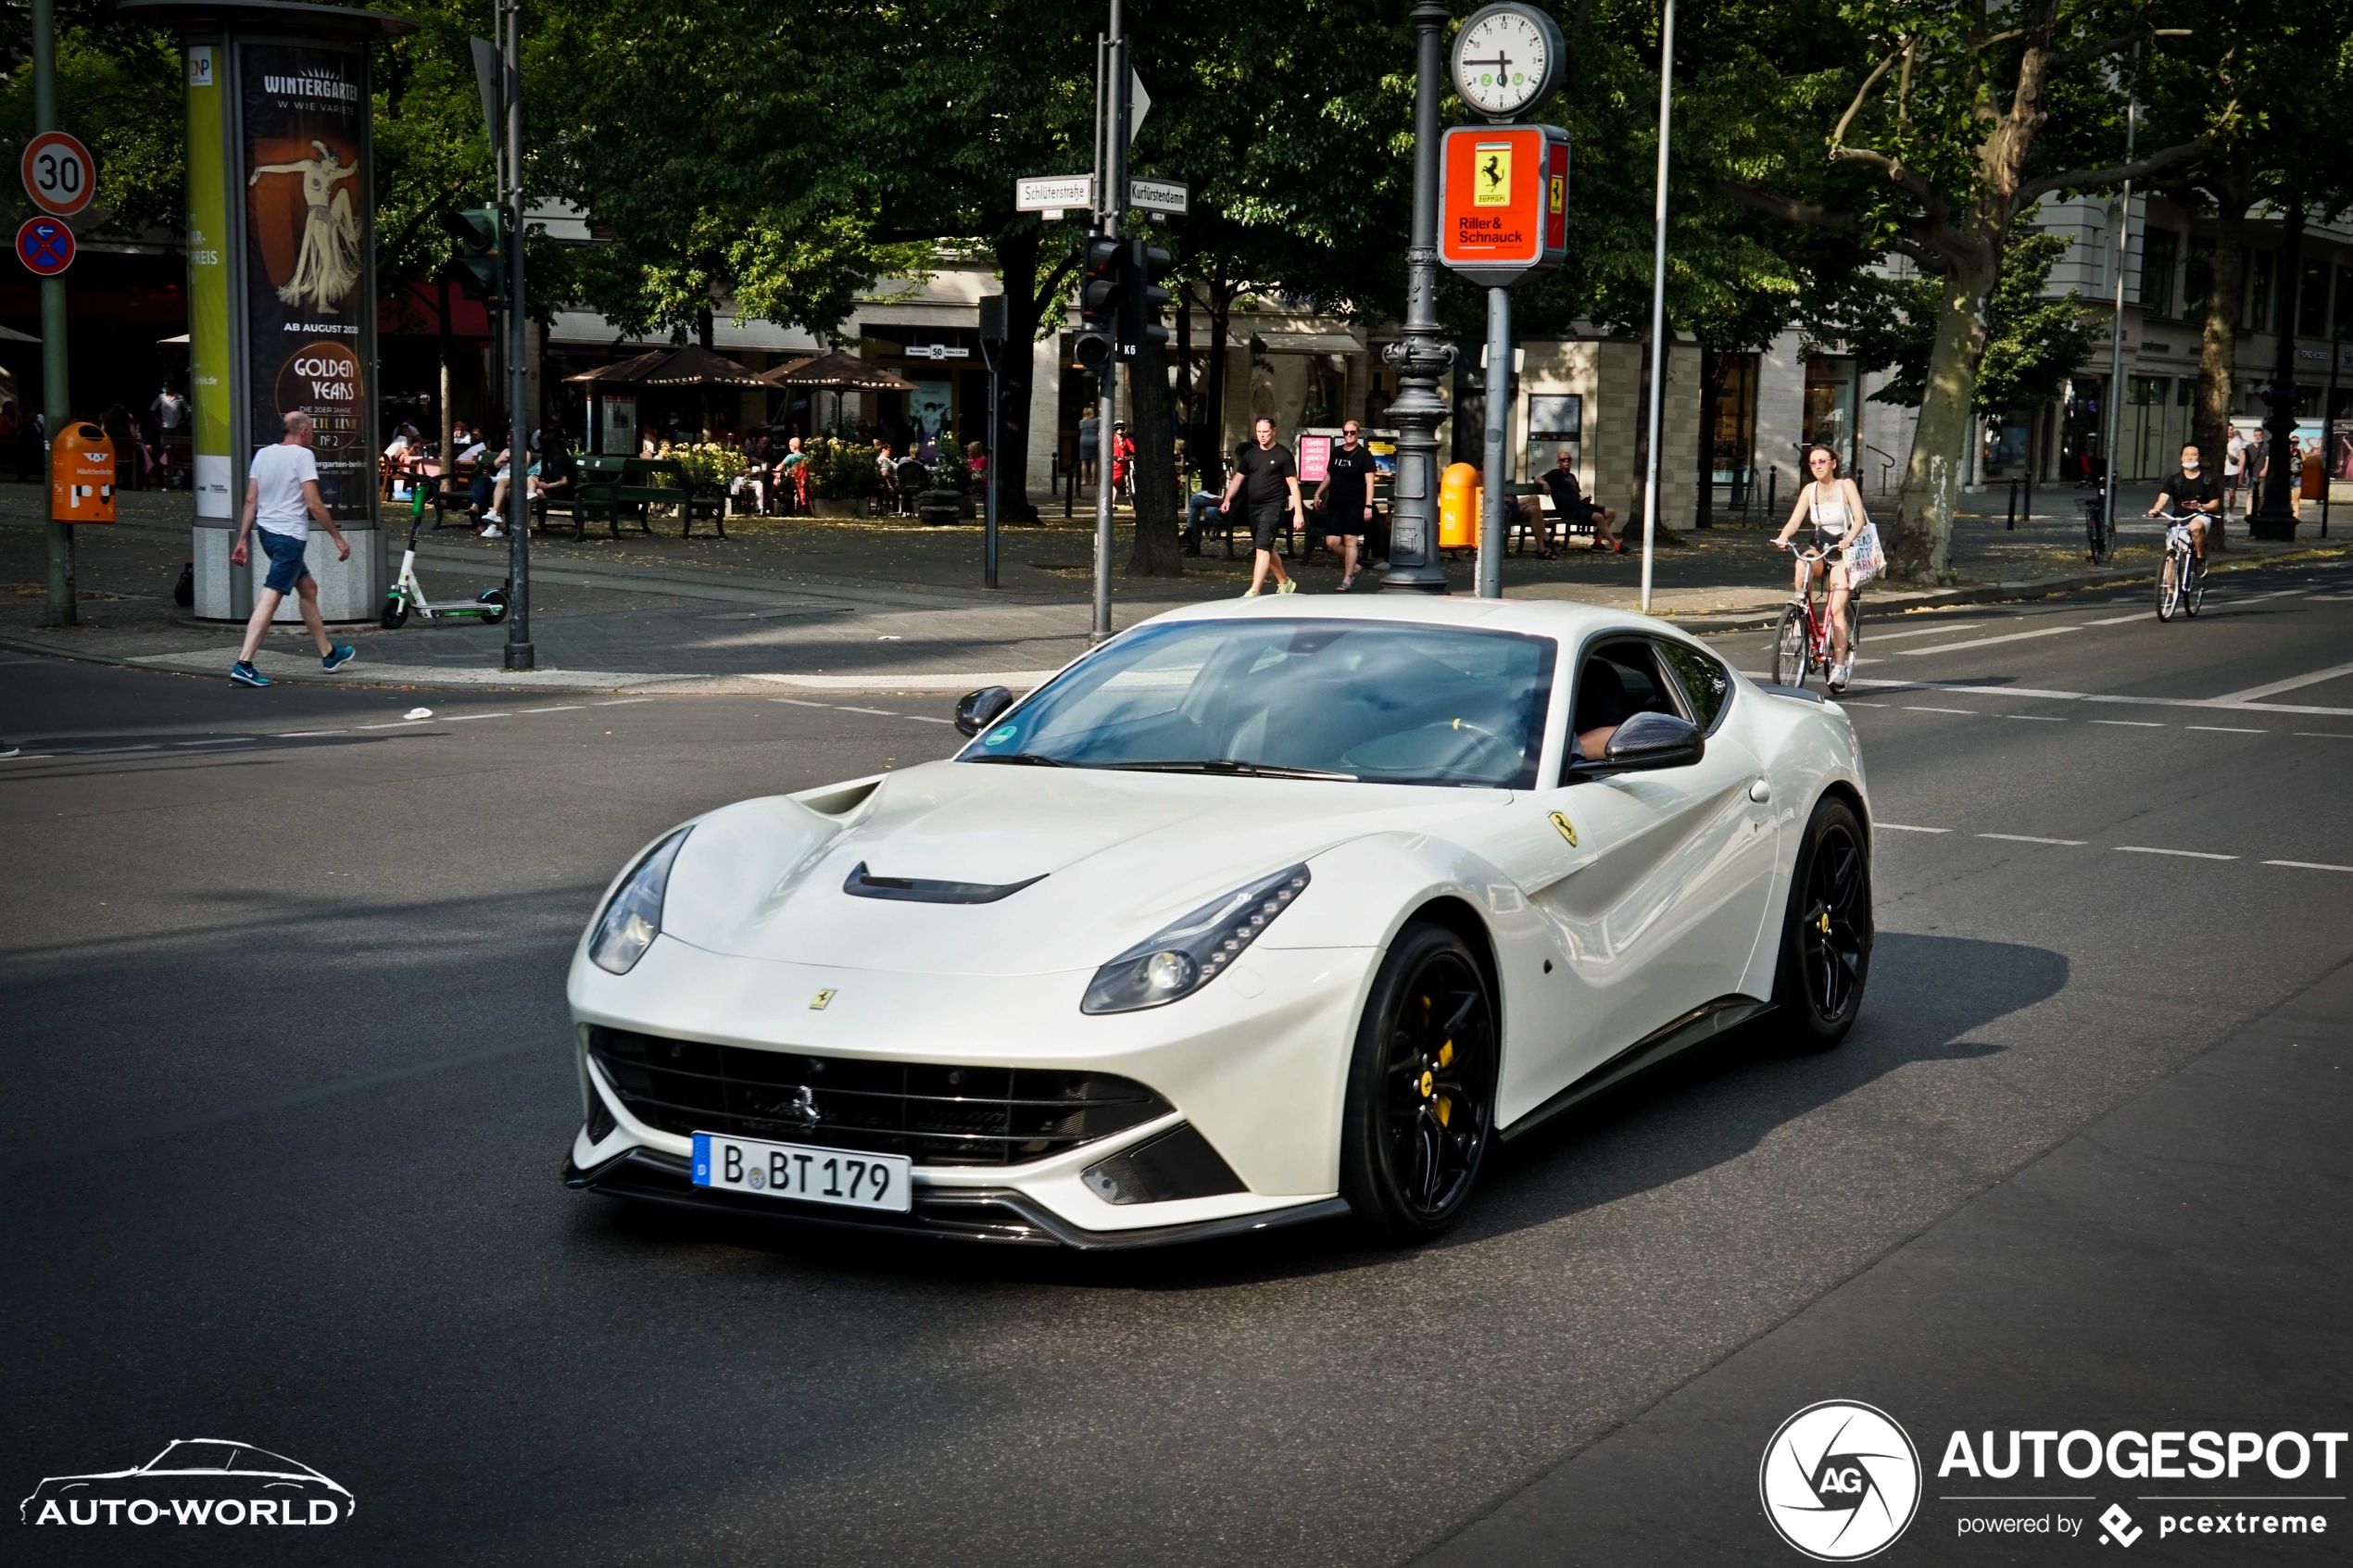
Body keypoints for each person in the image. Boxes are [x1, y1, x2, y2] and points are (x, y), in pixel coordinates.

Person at [228, 411, 354, 686]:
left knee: (308, 589)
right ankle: (244, 663)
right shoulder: (302, 456)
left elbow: (251, 502)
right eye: (312, 430)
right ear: (304, 431)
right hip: (290, 538)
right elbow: (314, 504)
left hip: (268, 535)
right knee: (270, 598)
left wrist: (242, 540)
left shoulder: (263, 455)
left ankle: (329, 654)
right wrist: (338, 538)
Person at [1772, 443, 1869, 687]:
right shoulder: (1809, 490)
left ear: (1833, 463)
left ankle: (1839, 665)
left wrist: (1848, 539)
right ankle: (1799, 613)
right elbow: (1795, 521)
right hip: (1821, 546)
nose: (1817, 466)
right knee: (1802, 561)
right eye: (1813, 463)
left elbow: (1859, 519)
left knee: (1836, 610)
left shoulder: (1846, 486)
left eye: (1822, 461)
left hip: (1843, 550)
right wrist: (1784, 536)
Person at [1219, 416, 1303, 597]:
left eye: (1265, 432)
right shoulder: (1251, 454)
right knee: (1264, 545)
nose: (1262, 435)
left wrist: (1298, 512)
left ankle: (1254, 589)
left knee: (1262, 548)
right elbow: (1238, 479)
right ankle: (1284, 582)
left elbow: (1293, 485)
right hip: (1254, 507)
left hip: (1273, 506)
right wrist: (1227, 499)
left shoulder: (1283, 455)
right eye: (1259, 432)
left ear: (1274, 431)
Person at [1314, 420, 1379, 590]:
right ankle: (1355, 565)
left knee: (1350, 540)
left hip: (1355, 503)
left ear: (1358, 433)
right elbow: (1330, 474)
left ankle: (1347, 578)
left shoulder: (1364, 455)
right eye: (1346, 432)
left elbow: (1370, 483)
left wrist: (1368, 505)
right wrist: (1318, 492)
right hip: (1336, 502)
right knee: (1332, 541)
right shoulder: (1336, 452)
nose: (1349, 435)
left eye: (1352, 432)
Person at [2146, 442, 2220, 571]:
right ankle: (2169, 589)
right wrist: (2156, 510)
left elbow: (2214, 505)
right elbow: (2162, 499)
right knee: (2171, 557)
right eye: (2186, 455)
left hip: (2200, 515)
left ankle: (2199, 556)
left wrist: (2200, 505)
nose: (2189, 458)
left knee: (2195, 526)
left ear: (2200, 457)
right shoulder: (2175, 479)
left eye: (2193, 455)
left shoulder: (2208, 479)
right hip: (2179, 518)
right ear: (2181, 457)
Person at [1535, 449, 1619, 553]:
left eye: (1568, 459)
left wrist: (1585, 501)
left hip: (1580, 506)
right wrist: (1545, 484)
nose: (1566, 461)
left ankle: (1597, 544)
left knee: (1611, 512)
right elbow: (1538, 479)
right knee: (1599, 517)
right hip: (1569, 510)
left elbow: (1575, 495)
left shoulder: (1572, 476)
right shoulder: (1555, 473)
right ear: (1558, 463)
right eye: (1563, 460)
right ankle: (1616, 545)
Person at [2223, 427, 2247, 518]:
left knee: (2232, 493)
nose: (2230, 431)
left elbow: (2242, 454)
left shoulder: (2237, 441)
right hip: (2222, 471)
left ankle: (2230, 513)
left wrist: (2241, 467)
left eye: (2231, 429)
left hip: (2233, 470)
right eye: (2228, 429)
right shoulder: (2220, 440)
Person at [1109, 420, 1136, 499]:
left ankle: (1112, 502)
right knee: (1110, 483)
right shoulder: (1111, 439)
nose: (1120, 429)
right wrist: (1114, 457)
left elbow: (1132, 448)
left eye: (1121, 428)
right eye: (1118, 428)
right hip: (1112, 465)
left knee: (1116, 485)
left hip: (1120, 466)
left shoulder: (1126, 440)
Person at [1077, 410, 1100, 489]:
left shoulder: (1081, 422)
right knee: (1093, 461)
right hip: (1094, 440)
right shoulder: (1096, 421)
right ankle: (1093, 480)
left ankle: (1084, 480)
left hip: (1084, 441)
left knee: (1084, 462)